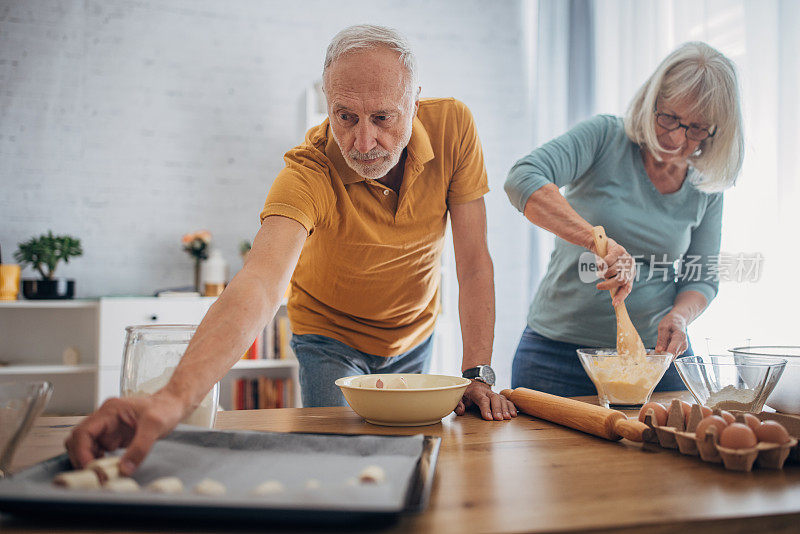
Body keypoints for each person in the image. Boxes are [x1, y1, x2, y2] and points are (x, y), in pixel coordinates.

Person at [66, 24, 516, 475]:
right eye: (345, 116)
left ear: (414, 104)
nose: (363, 143)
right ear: (327, 101)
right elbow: (260, 285)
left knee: (413, 466)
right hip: (329, 338)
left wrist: (476, 372)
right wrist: (171, 399)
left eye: (382, 118)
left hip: (415, 332)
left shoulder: (453, 126)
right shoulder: (307, 174)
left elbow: (473, 261)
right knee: (338, 465)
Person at [504, 42, 744, 396]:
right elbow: (523, 178)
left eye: (696, 129)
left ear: (715, 132)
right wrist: (596, 241)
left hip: (654, 358)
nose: (677, 139)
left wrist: (679, 317)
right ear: (652, 102)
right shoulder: (605, 137)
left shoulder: (705, 184)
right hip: (555, 354)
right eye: (670, 118)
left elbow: (702, 277)